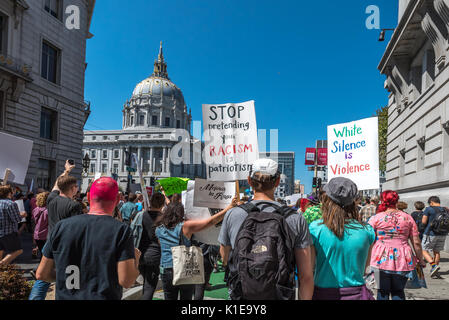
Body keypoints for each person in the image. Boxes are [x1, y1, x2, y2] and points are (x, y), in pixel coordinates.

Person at [219, 159, 314, 300]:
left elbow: (225, 258)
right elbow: (305, 276)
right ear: (277, 183)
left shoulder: (233, 214)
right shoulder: (295, 218)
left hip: (242, 294)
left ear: (249, 181)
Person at [36, 177, 141, 300]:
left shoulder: (62, 226)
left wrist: (67, 277)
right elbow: (126, 280)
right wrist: (136, 259)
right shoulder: (121, 231)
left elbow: (41, 273)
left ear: (89, 196)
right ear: (118, 199)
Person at [156, 198, 238, 300]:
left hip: (166, 268)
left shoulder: (159, 228)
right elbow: (211, 221)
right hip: (184, 268)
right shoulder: (186, 226)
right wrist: (228, 208)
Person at [310, 177, 375, 300]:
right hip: (357, 294)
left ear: (327, 199)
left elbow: (310, 268)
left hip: (323, 294)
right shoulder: (367, 230)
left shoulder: (315, 229)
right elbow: (365, 269)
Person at [29, 160, 83, 300]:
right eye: (76, 186)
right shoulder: (74, 206)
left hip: (50, 242)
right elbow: (75, 229)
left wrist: (66, 171)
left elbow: (55, 185)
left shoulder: (51, 199)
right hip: (66, 245)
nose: (77, 189)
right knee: (70, 277)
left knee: (42, 276)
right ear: (72, 188)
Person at [369, 190, 426, 300]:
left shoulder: (376, 218)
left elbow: (368, 239)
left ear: (382, 200)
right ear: (396, 201)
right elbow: (416, 242)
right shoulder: (407, 218)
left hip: (379, 258)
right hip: (403, 258)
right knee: (398, 291)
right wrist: (421, 260)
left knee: (382, 291)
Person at [138, 192, 165, 300]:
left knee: (146, 283)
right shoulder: (163, 218)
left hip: (140, 254)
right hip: (154, 255)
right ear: (162, 204)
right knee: (150, 287)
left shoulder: (142, 215)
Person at [421, 196, 448, 278]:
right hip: (443, 233)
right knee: (437, 252)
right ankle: (434, 270)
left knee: (423, 250)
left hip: (430, 234)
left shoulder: (429, 209)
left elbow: (423, 222)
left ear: (431, 202)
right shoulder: (445, 209)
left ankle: (433, 266)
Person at [0, 185, 27, 265]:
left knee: (1, 250)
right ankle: (1, 264)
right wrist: (22, 215)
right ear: (8, 193)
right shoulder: (11, 204)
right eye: (12, 192)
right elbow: (17, 219)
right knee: (18, 250)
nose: (13, 193)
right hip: (8, 232)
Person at [31, 192, 50, 258]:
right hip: (45, 234)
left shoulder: (35, 209)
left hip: (37, 234)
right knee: (45, 254)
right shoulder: (48, 211)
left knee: (42, 252)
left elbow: (34, 222)